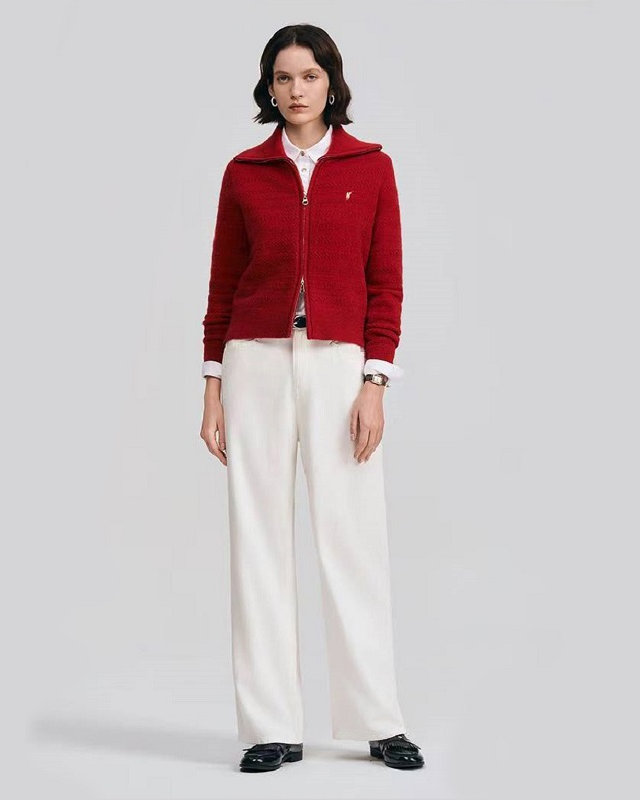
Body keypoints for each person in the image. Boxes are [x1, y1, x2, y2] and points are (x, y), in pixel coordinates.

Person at [199, 24, 425, 773]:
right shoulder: (244, 172)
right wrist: (212, 386)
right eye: (283, 77)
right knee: (258, 542)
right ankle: (271, 726)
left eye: (310, 76)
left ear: (333, 82)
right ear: (268, 87)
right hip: (255, 362)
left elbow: (386, 283)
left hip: (339, 365)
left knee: (353, 539)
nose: (296, 90)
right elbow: (223, 283)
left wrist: (375, 381)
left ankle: (379, 720)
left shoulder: (372, 166)